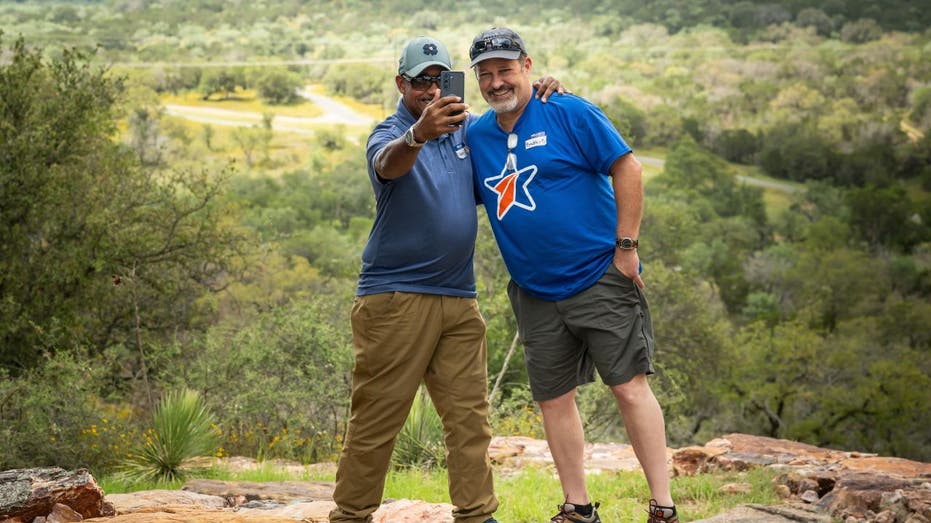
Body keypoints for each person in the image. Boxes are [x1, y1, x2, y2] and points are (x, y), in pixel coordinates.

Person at [328, 35, 565, 523]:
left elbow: (511, 132)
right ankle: (350, 516)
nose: (433, 90)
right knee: (377, 420)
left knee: (469, 421)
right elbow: (387, 164)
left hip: (459, 298)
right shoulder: (389, 132)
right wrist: (418, 133)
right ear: (402, 83)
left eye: (441, 80)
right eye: (422, 81)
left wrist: (539, 93)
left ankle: (477, 515)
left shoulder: (466, 131)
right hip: (395, 300)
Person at [465, 27, 679, 523]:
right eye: (487, 74)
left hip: (599, 275)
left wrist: (626, 249)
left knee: (629, 387)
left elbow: (629, 168)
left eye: (506, 70)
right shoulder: (477, 135)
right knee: (554, 400)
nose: (497, 82)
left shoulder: (568, 110)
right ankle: (578, 508)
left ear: (528, 66)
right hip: (535, 291)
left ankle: (663, 507)